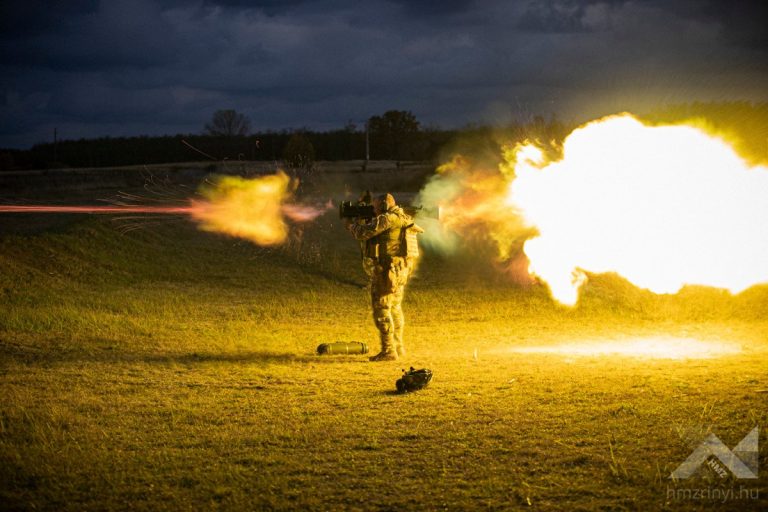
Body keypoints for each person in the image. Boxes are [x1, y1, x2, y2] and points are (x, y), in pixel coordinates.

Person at [347, 193, 416, 361]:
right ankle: (398, 347)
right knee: (395, 308)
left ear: (384, 206)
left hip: (387, 271)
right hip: (399, 269)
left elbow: (362, 234)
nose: (374, 211)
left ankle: (388, 350)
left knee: (382, 309)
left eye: (376, 207)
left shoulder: (387, 219)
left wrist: (352, 224)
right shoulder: (403, 216)